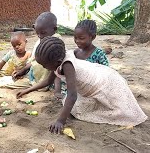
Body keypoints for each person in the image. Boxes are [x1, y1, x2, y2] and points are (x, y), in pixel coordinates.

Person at [17, 37, 148, 134]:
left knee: (122, 112)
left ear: (56, 61)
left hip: (106, 84)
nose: (44, 67)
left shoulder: (67, 65)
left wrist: (60, 121)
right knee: (74, 108)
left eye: (44, 65)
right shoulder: (58, 59)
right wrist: (27, 90)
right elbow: (48, 81)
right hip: (96, 79)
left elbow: (72, 96)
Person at [54, 20, 109, 98]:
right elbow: (60, 75)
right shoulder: (74, 53)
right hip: (74, 88)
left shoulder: (99, 54)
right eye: (75, 38)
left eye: (81, 38)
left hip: (92, 89)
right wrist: (57, 91)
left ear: (92, 37)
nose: (77, 41)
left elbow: (106, 74)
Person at [6, 12, 61, 89]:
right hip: (35, 76)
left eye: (43, 33)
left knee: (4, 83)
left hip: (47, 79)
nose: (40, 36)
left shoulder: (56, 43)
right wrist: (23, 70)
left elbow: (57, 68)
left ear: (54, 29)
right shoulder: (40, 40)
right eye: (37, 33)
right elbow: (34, 60)